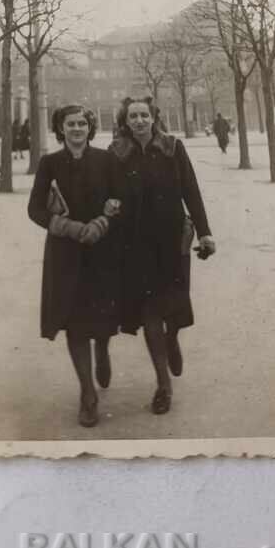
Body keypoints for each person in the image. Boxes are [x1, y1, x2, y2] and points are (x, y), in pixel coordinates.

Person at [109, 95, 216, 415]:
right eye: (133, 117)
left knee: (175, 305)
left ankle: (173, 338)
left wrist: (206, 231)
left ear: (154, 117)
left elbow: (191, 191)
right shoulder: (117, 154)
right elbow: (107, 193)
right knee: (150, 313)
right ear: (125, 122)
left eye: (144, 115)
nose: (139, 121)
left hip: (172, 242)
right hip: (136, 246)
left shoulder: (173, 148)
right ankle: (163, 385)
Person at [28, 105, 123, 428]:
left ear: (90, 128)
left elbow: (120, 198)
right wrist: (68, 228)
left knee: (103, 315)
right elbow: (35, 209)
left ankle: (104, 350)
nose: (77, 128)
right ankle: (88, 394)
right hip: (66, 256)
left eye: (82, 123)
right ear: (61, 129)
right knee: (75, 321)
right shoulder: (49, 164)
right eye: (70, 124)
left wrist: (101, 223)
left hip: (102, 252)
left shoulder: (106, 160)